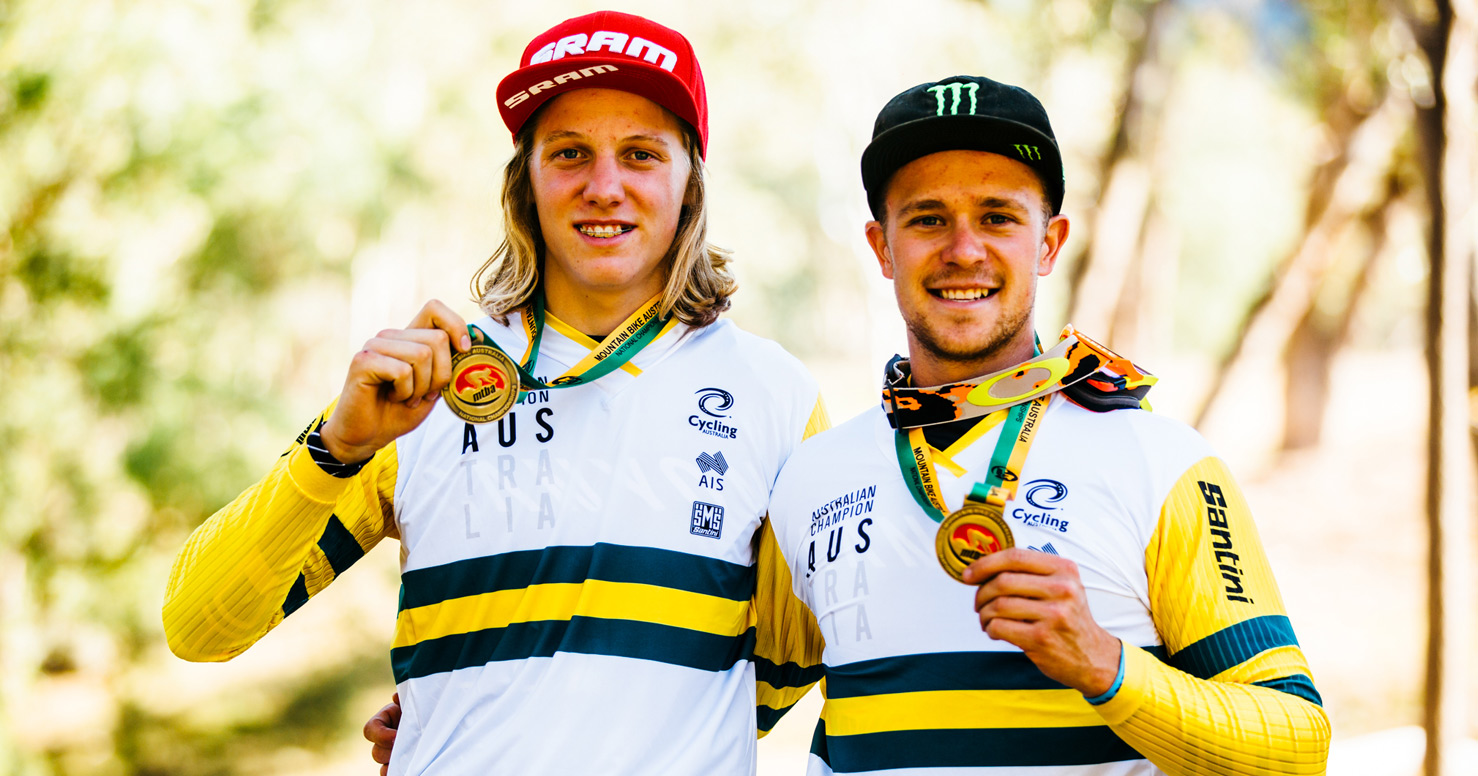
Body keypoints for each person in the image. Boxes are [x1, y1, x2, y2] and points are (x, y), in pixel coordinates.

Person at [162, 11, 826, 775]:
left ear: (690, 184)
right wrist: (337, 449)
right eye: (569, 153)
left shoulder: (775, 395)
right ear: (525, 182)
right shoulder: (427, 381)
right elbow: (198, 625)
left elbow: (786, 662)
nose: (604, 187)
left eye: (641, 154)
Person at [760, 75, 1332, 774]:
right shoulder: (811, 478)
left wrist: (1107, 666)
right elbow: (712, 697)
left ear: (1050, 243)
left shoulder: (1161, 462)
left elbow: (1298, 747)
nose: (963, 250)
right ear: (882, 247)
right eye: (928, 218)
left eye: (998, 216)